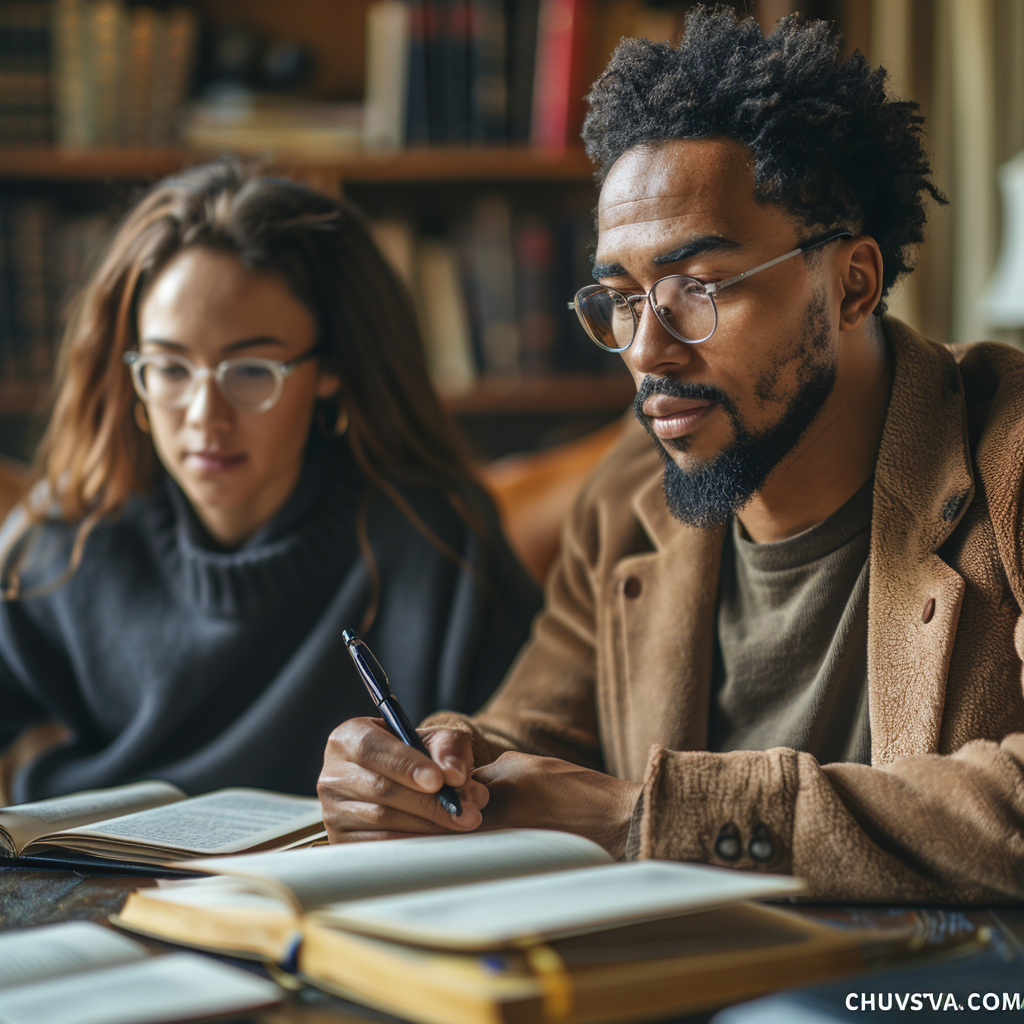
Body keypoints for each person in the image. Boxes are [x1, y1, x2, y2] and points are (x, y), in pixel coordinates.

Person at [317, 8, 1024, 902]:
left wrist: (648, 818)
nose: (647, 348)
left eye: (699, 287)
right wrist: (436, 768)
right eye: (621, 296)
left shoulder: (1008, 463)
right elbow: (536, 729)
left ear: (852, 285)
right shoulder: (628, 498)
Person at [0, 161, 540, 804]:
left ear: (331, 369)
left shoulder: (434, 534)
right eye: (170, 369)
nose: (204, 418)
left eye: (251, 370)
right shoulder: (65, 541)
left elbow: (525, 749)